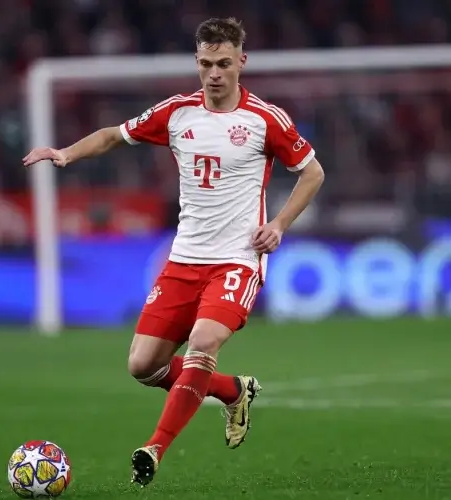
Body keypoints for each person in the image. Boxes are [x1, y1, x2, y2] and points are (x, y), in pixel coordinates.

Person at [23, 17, 325, 486]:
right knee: (143, 365)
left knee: (204, 341)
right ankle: (232, 391)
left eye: (223, 63)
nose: (214, 74)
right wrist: (65, 154)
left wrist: (279, 224)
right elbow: (112, 135)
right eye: (206, 64)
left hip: (237, 259)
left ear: (241, 62)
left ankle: (154, 448)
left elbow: (312, 172)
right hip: (184, 260)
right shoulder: (177, 113)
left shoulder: (266, 119)